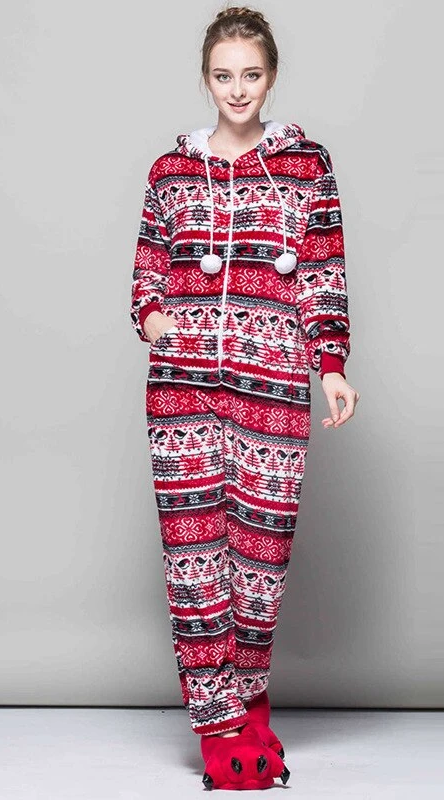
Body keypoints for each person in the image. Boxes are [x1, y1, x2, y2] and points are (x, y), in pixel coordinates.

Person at [129, 5, 360, 790]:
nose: (237, 89)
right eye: (223, 75)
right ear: (205, 79)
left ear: (271, 77)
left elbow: (323, 270)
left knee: (260, 555)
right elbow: (146, 272)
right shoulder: (170, 171)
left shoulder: (307, 166)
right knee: (195, 555)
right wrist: (156, 319)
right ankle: (218, 726)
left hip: (272, 386)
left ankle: (249, 699)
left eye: (251, 74)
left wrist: (330, 364)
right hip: (182, 390)